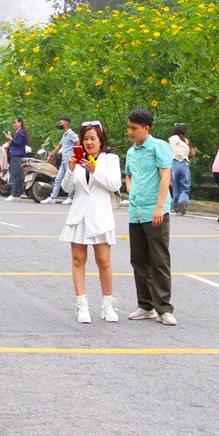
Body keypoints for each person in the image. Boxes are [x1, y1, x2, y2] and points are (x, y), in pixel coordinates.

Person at [60, 121, 123, 323]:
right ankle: (82, 305)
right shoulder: (77, 161)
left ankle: (107, 305)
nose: (89, 142)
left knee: (104, 261)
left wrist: (95, 169)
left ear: (101, 140)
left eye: (93, 138)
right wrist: (70, 169)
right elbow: (67, 187)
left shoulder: (110, 160)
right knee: (78, 260)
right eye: (85, 138)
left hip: (100, 216)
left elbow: (115, 184)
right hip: (79, 215)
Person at [123, 108, 175, 326]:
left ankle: (163, 308)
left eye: (134, 128)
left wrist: (159, 207)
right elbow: (128, 175)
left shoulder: (158, 147)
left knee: (159, 260)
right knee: (139, 260)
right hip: (135, 212)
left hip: (155, 211)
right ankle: (145, 306)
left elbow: (165, 177)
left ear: (146, 128)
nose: (130, 132)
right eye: (129, 127)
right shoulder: (130, 152)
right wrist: (131, 191)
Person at [44, 116, 79, 204]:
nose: (60, 124)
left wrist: (76, 153)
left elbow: (78, 141)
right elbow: (59, 146)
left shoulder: (71, 133)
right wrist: (51, 155)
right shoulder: (64, 134)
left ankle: (70, 197)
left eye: (61, 123)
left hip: (69, 159)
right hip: (64, 159)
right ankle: (53, 197)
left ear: (66, 123)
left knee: (70, 177)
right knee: (58, 178)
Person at [167, 123, 197, 215]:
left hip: (174, 165)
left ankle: (177, 209)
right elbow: (193, 154)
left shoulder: (171, 139)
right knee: (185, 187)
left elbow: (167, 151)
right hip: (184, 165)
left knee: (175, 188)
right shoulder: (187, 141)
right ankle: (183, 199)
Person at [4, 116, 28, 202]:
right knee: (16, 174)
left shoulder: (21, 132)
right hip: (15, 154)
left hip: (17, 154)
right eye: (13, 123)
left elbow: (18, 143)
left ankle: (14, 194)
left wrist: (11, 139)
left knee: (15, 174)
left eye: (15, 122)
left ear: (20, 122)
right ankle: (17, 195)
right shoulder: (19, 132)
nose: (14, 124)